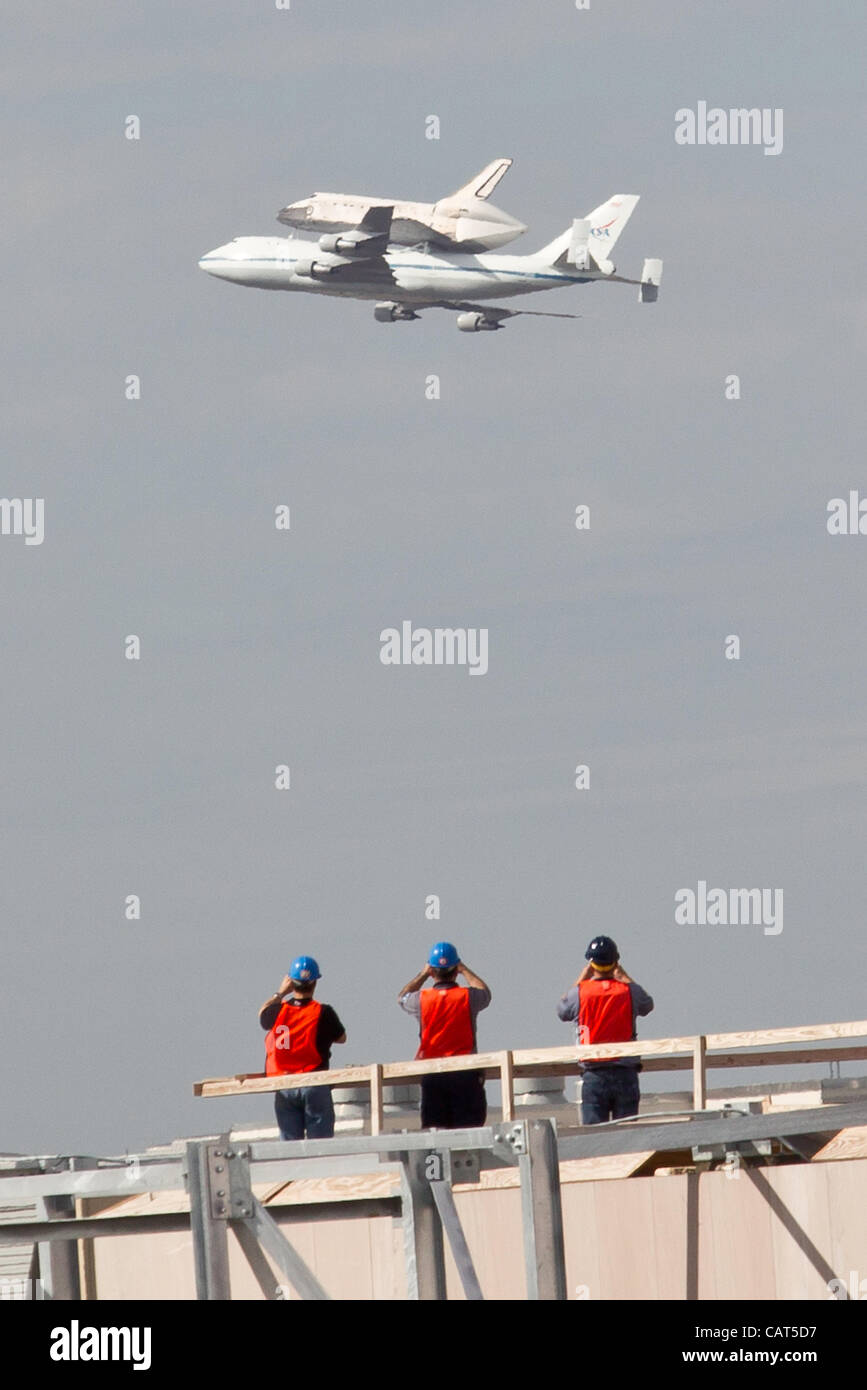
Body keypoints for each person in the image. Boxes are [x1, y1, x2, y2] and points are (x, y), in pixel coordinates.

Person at [557, 936, 654, 1125]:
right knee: (628, 1137)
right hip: (625, 1073)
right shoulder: (628, 991)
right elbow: (647, 1005)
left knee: (595, 1140)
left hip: (594, 1074)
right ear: (615, 962)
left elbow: (562, 1010)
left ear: (591, 963)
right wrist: (625, 978)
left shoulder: (580, 993)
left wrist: (581, 979)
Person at [398, 942, 491, 1129]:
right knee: (469, 1134)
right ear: (455, 970)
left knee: (435, 1136)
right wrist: (464, 969)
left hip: (434, 1076)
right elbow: (485, 993)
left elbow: (402, 997)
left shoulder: (421, 1000)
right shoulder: (468, 997)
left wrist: (423, 974)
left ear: (432, 972)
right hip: (466, 1074)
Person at [259, 955, 346, 1140]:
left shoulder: (277, 1011)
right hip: (315, 1083)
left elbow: (262, 1015)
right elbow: (342, 1038)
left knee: (290, 1148)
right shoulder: (324, 1012)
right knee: (320, 1146)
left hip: (285, 1085)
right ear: (314, 983)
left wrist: (280, 993)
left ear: (292, 982)